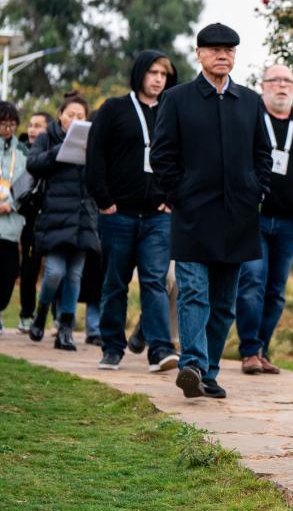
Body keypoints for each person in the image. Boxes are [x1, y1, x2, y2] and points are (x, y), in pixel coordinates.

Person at [150, 23, 272, 399]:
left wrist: (256, 189)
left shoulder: (250, 101)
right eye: (215, 49)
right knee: (193, 293)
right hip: (193, 217)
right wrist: (181, 192)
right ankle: (193, 365)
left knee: (223, 303)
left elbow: (263, 156)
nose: (223, 55)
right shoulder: (178, 99)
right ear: (199, 54)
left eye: (229, 50)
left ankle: (209, 371)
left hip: (238, 218)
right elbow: (162, 155)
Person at [87, 50, 179, 372]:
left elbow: (181, 159)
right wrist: (103, 199)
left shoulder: (172, 111)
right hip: (118, 214)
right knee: (115, 282)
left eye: (164, 74)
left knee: (154, 280)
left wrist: (171, 198)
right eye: (153, 72)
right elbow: (95, 155)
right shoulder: (114, 109)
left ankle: (160, 350)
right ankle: (112, 346)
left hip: (158, 215)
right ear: (140, 73)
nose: (158, 79)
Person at [236, 64, 293, 375]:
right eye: (275, 80)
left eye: (288, 80)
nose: (282, 86)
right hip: (254, 219)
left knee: (276, 289)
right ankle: (248, 350)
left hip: (290, 222)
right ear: (263, 85)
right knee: (252, 282)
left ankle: (262, 349)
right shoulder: (250, 118)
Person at [27, 92, 101, 350]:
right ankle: (42, 310)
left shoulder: (93, 140)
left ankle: (65, 328)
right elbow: (32, 164)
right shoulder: (48, 137)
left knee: (74, 276)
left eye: (81, 116)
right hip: (56, 216)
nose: (75, 119)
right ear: (60, 116)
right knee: (55, 272)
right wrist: (61, 150)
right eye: (71, 115)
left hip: (84, 217)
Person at [16, 111, 50, 333]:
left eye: (38, 126)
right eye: (30, 125)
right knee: (28, 269)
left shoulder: (53, 153)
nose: (32, 129)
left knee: (54, 271)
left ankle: (51, 317)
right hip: (26, 218)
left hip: (50, 218)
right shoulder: (18, 153)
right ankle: (26, 314)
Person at [0, 101, 29, 334]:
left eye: (11, 124)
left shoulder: (22, 152)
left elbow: (27, 184)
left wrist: (10, 204)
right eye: (2, 124)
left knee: (8, 274)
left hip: (11, 225)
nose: (7, 129)